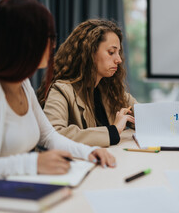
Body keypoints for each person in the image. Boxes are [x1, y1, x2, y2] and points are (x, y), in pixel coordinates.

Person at [0, 0, 115, 183]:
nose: (53, 45)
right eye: (49, 38)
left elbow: (48, 136)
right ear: (23, 41)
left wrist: (88, 152)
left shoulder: (22, 84)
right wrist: (32, 164)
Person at [37, 19, 136, 147]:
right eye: (111, 52)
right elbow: (52, 135)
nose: (118, 59)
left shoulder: (111, 89)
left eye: (118, 53)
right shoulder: (61, 90)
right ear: (90, 52)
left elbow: (144, 114)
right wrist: (113, 131)